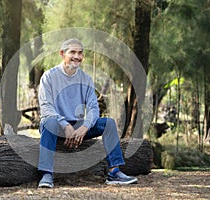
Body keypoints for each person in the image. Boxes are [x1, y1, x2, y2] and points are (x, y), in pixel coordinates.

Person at [37, 38, 137, 188]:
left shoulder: (86, 79)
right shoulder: (49, 77)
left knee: (108, 123)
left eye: (80, 53)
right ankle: (46, 174)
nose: (77, 56)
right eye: (73, 52)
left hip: (78, 127)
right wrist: (65, 125)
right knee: (50, 121)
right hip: (55, 125)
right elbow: (46, 108)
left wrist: (84, 127)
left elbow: (93, 108)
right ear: (62, 53)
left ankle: (114, 172)